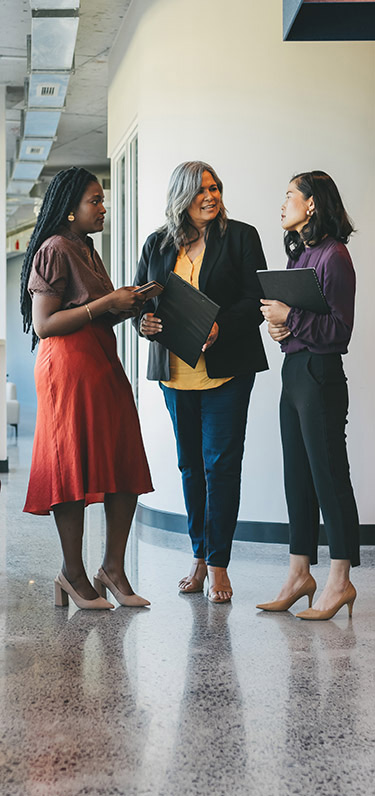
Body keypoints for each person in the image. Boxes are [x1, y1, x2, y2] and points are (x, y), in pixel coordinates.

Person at [133, 161, 268, 603]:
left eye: (215, 188)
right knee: (191, 468)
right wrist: (145, 324)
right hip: (175, 375)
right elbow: (140, 302)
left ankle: (219, 564)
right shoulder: (157, 243)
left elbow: (257, 300)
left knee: (221, 468)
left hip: (227, 373)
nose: (210, 196)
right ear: (182, 197)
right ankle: (198, 557)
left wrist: (219, 328)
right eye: (200, 191)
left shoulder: (241, 237)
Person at [20, 167, 153, 610]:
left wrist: (129, 304)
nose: (102, 208)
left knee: (123, 454)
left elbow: (95, 311)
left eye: (102, 200)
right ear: (71, 210)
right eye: (94, 201)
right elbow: (44, 324)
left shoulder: (86, 249)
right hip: (67, 368)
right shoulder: (55, 248)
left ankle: (112, 569)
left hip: (100, 361)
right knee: (70, 462)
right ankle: (72, 572)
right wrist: (105, 304)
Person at [257, 170, 359, 620]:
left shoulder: (334, 255)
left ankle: (340, 581)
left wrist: (290, 316)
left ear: (312, 203)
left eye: (289, 197)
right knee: (297, 477)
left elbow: (338, 330)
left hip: (321, 374)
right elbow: (295, 325)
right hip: (295, 371)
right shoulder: (302, 256)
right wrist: (280, 325)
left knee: (330, 477)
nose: (282, 205)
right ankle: (299, 574)